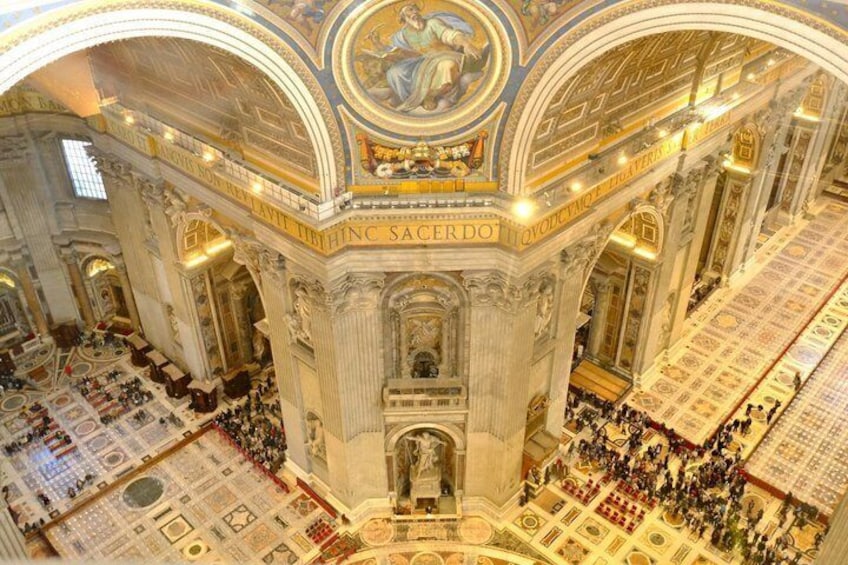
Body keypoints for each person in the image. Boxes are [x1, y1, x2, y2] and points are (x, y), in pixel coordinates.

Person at [363, 4, 488, 112]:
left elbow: (450, 35)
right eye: (409, 11)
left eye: (414, 9)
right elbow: (401, 52)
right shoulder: (404, 34)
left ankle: (432, 95)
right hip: (424, 60)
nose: (414, 13)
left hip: (446, 55)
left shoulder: (433, 23)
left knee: (447, 66)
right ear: (403, 18)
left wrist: (466, 44)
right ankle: (411, 99)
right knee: (395, 72)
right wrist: (378, 44)